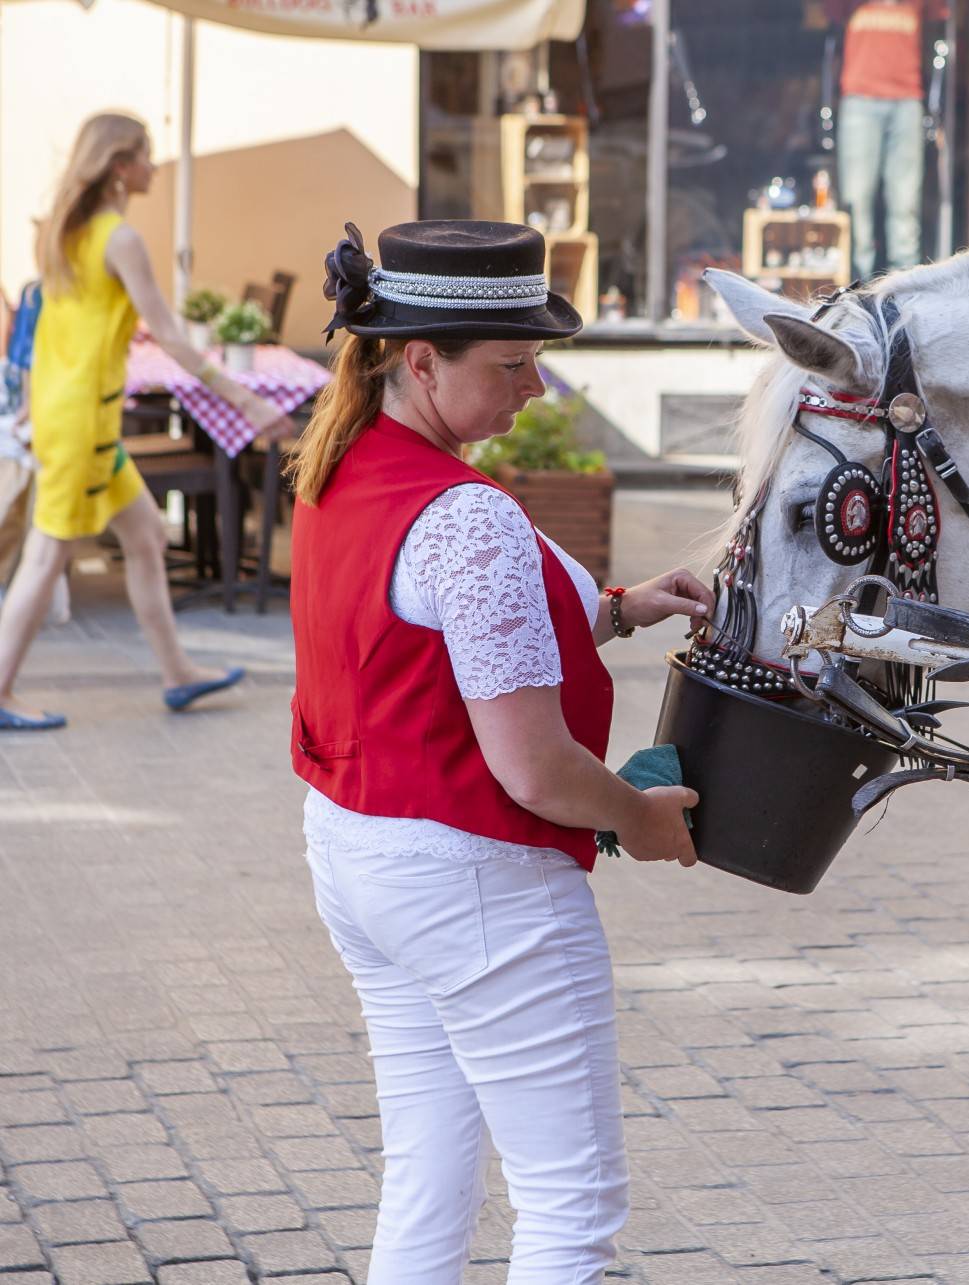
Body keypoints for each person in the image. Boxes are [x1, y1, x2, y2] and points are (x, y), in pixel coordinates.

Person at [291, 219, 709, 1283]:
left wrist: (620, 609)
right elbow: (534, 767)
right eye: (513, 365)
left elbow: (443, 636)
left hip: (361, 850)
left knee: (428, 1178)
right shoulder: (464, 513)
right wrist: (639, 816)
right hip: (475, 875)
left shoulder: (346, 463)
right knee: (570, 1208)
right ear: (421, 361)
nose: (536, 390)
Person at [0, 112, 287, 730]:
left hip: (80, 420)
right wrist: (246, 399)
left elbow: (47, 330)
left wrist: (30, 406)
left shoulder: (62, 233)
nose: (155, 168)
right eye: (148, 156)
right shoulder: (117, 239)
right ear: (120, 167)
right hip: (82, 427)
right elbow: (173, 338)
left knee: (148, 537)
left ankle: (177, 674)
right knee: (46, 557)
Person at [826, 0, 947, 278]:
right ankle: (858, 280)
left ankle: (902, 283)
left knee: (905, 199)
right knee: (856, 197)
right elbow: (829, 16)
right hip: (860, 98)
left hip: (907, 99)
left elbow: (940, 21)